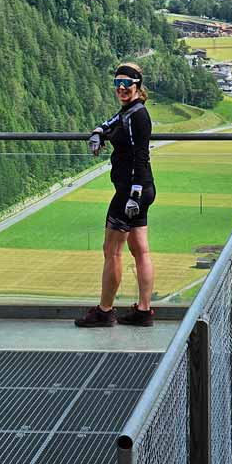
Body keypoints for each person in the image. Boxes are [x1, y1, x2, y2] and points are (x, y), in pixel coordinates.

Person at [74, 62, 157, 328]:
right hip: (142, 190)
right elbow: (112, 122)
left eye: (127, 84)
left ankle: (105, 310)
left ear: (137, 86)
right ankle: (144, 310)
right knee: (140, 250)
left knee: (112, 251)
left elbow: (140, 157)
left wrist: (133, 194)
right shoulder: (130, 111)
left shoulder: (138, 116)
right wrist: (99, 131)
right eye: (117, 84)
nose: (121, 88)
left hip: (130, 192)